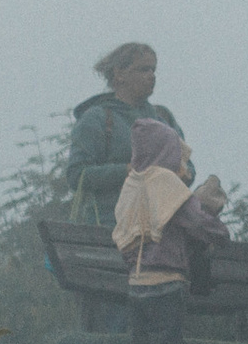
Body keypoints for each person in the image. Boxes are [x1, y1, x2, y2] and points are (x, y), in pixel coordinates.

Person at [112, 116, 230, 344]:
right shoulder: (166, 184)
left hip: (136, 285)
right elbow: (197, 222)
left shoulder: (132, 187)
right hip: (167, 285)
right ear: (166, 151)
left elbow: (124, 237)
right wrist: (221, 231)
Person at [66, 41, 180, 223]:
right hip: (110, 229)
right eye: (143, 70)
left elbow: (187, 166)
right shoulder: (96, 118)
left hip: (161, 228)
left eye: (153, 70)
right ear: (119, 74)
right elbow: (76, 175)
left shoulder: (163, 120)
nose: (152, 76)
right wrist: (128, 171)